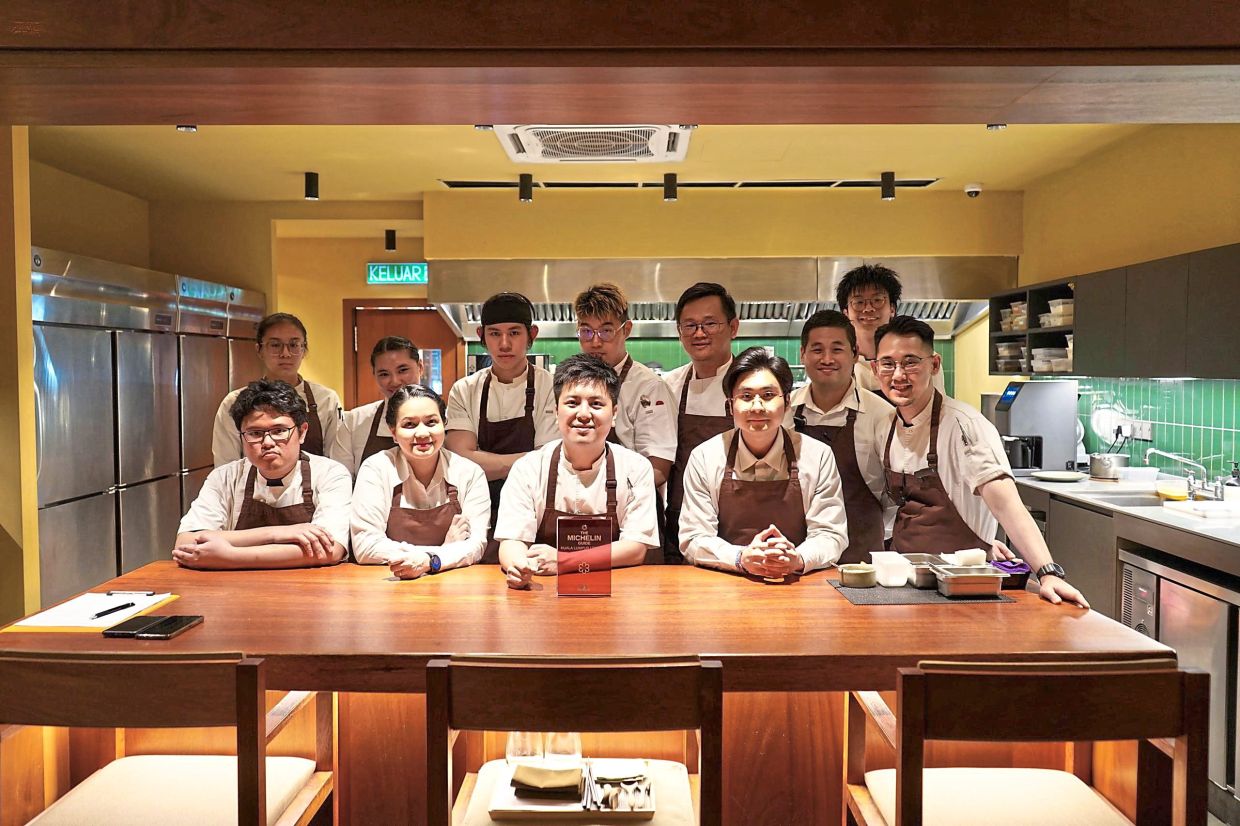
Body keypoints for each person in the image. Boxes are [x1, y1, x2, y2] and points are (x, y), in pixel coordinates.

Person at [874, 315, 1088, 607]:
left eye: (910, 362)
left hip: (962, 590)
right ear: (875, 369)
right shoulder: (886, 425)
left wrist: (1047, 572)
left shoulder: (965, 426)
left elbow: (1007, 505)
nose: (898, 375)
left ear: (934, 365)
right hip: (904, 585)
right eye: (888, 364)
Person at [680, 348, 848, 578]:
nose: (757, 407)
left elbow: (831, 534)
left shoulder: (817, 456)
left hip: (796, 581)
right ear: (730, 405)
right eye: (746, 397)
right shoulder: (705, 457)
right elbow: (694, 537)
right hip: (726, 581)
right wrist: (740, 558)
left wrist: (797, 558)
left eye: (768, 395)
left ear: (787, 402)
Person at [496, 354, 659, 590]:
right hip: (545, 593)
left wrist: (565, 561)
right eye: (572, 403)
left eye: (596, 404)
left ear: (614, 414)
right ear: (555, 411)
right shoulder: (528, 467)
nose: (583, 414)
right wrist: (519, 566)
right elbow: (512, 539)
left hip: (617, 592)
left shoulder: (635, 468)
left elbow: (635, 548)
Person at [175, 379, 351, 569]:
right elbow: (186, 544)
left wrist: (230, 555)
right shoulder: (225, 477)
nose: (267, 442)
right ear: (241, 436)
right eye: (255, 433)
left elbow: (330, 550)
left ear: (302, 432)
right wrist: (277, 534)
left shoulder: (330, 474)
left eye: (279, 431)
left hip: (311, 591)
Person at [445, 292, 558, 562]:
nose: (504, 343)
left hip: (534, 510)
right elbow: (461, 459)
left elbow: (548, 463)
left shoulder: (552, 386)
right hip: (480, 508)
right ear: (481, 335)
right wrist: (529, 460)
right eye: (495, 334)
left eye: (514, 333)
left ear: (532, 334)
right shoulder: (464, 390)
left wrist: (483, 459)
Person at [350, 384, 490, 578]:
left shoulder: (469, 473)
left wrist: (427, 561)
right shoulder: (376, 469)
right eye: (409, 425)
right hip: (389, 584)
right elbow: (365, 545)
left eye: (431, 422)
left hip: (453, 585)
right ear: (393, 432)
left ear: (444, 424)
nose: (423, 433)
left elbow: (476, 545)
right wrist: (438, 553)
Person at [787, 310, 893, 563]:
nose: (827, 359)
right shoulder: (785, 411)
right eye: (817, 349)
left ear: (855, 354)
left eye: (837, 349)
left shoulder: (883, 416)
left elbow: (894, 497)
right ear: (802, 354)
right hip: (795, 558)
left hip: (863, 560)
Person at [661, 282, 739, 563]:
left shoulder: (749, 386)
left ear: (733, 327)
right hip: (681, 526)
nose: (699, 333)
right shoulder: (669, 386)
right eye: (689, 325)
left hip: (738, 528)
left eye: (710, 323)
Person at [212, 312, 341, 466]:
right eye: (275, 345)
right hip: (252, 489)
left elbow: (336, 463)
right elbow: (225, 468)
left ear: (303, 349)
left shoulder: (327, 399)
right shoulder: (234, 402)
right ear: (259, 350)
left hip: (316, 489)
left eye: (293, 345)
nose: (285, 354)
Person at [835, 263, 945, 395]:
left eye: (877, 300)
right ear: (846, 313)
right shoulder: (839, 363)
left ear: (892, 309)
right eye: (859, 302)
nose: (868, 308)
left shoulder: (921, 359)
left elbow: (935, 409)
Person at [332, 336, 424, 476]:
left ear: (420, 367)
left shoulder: (442, 421)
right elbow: (340, 479)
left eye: (403, 370)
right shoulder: (354, 421)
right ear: (374, 374)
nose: (394, 381)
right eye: (384, 374)